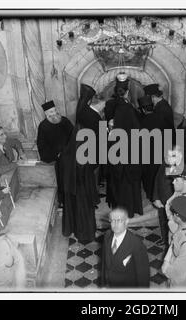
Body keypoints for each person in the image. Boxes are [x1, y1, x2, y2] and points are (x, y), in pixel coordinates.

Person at [61, 85, 100, 242]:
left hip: (72, 188)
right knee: (84, 213)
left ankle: (75, 230)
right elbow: (88, 168)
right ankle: (86, 235)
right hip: (82, 188)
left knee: (74, 211)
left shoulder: (70, 150)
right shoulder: (83, 152)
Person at [108, 79, 143, 217]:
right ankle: (129, 210)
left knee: (119, 183)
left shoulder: (113, 104)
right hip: (129, 150)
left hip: (116, 149)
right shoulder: (127, 108)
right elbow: (136, 129)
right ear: (127, 92)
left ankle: (119, 208)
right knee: (129, 184)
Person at [100, 208, 150, 288]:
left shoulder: (136, 244)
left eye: (119, 220)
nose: (115, 224)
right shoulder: (107, 235)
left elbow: (143, 275)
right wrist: (103, 284)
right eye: (112, 220)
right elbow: (104, 264)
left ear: (126, 222)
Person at [37, 100, 74, 207]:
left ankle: (74, 198)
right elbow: (42, 145)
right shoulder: (43, 126)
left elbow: (74, 136)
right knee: (62, 181)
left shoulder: (65, 121)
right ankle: (64, 202)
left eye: (54, 111)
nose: (53, 114)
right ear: (46, 114)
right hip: (58, 159)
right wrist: (55, 155)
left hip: (70, 155)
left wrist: (71, 149)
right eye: (50, 112)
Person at [152, 145, 185, 246]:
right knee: (163, 220)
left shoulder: (183, 170)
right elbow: (157, 181)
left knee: (174, 223)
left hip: (174, 203)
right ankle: (164, 239)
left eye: (173, 156)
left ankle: (173, 242)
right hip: (162, 200)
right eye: (168, 155)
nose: (169, 158)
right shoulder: (164, 164)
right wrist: (156, 198)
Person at [161, 196, 186, 287]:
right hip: (175, 261)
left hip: (182, 280)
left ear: (177, 217)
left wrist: (165, 268)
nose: (172, 215)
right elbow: (174, 241)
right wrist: (167, 259)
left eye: (173, 213)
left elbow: (176, 271)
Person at [137, 95, 167, 201]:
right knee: (157, 174)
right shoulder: (161, 118)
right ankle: (157, 195)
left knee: (147, 175)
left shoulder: (141, 122)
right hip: (159, 152)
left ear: (143, 109)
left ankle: (150, 194)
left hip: (146, 153)